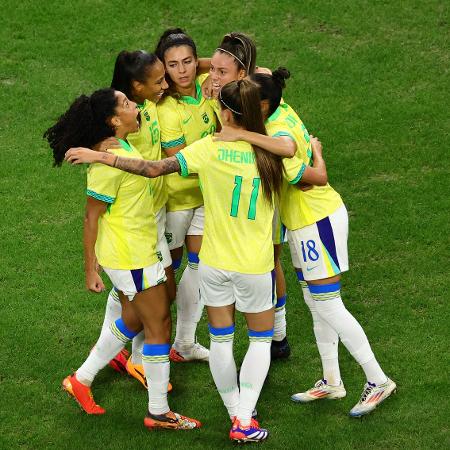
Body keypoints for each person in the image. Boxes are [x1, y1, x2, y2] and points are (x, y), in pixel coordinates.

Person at [65, 79, 328, 442]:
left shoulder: (208, 148)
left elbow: (156, 170)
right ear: (258, 112)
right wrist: (312, 151)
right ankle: (243, 419)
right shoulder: (276, 153)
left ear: (224, 113)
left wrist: (100, 155)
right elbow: (313, 173)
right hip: (255, 265)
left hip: (213, 264)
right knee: (260, 340)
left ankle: (235, 412)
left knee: (221, 340)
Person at [218, 68, 397, 417]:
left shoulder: (276, 129)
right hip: (301, 225)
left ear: (264, 104)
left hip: (317, 220)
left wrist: (245, 138)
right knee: (315, 304)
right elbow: (267, 76)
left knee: (329, 304)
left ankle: (378, 380)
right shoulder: (280, 108)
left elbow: (308, 178)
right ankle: (332, 380)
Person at [44, 87, 201, 430]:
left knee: (133, 318)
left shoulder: (121, 148)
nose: (135, 107)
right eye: (128, 105)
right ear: (114, 120)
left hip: (140, 250)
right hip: (130, 256)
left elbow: (149, 169)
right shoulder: (105, 165)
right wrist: (90, 268)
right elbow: (91, 218)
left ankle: (80, 380)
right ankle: (158, 411)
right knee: (158, 324)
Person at [206, 32, 293, 359]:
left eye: (221, 72)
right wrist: (213, 70)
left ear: (242, 76)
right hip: (234, 187)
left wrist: (239, 134)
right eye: (211, 69)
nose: (213, 77)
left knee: (270, 259)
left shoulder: (262, 102)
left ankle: (278, 335)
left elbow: (284, 147)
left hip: (263, 191)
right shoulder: (226, 86)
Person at [154, 28, 216, 362]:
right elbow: (180, 161)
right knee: (164, 273)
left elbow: (249, 66)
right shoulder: (167, 109)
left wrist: (209, 66)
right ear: (162, 69)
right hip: (176, 201)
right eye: (173, 64)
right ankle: (125, 341)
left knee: (200, 267)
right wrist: (223, 167)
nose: (182, 70)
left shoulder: (210, 81)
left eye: (188, 61)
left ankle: (185, 341)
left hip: (206, 198)